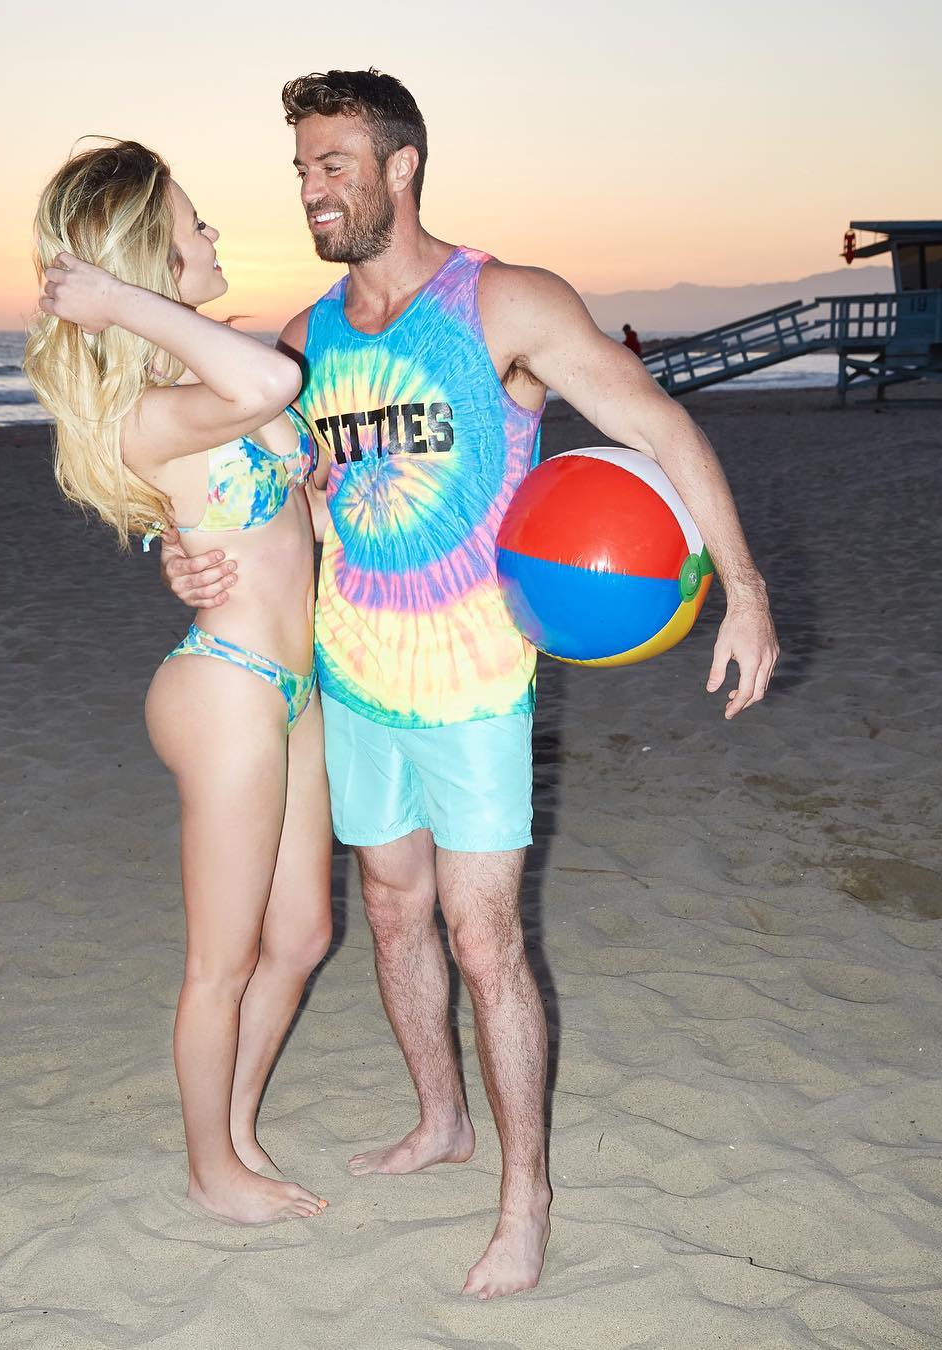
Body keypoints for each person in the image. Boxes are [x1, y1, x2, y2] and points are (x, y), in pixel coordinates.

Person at [161, 69, 779, 1299]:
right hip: (352, 676)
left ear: (401, 167)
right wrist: (181, 556)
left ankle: (524, 1197)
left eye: (334, 163)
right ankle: (440, 1119)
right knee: (394, 913)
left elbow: (657, 426)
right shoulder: (302, 344)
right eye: (301, 167)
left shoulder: (504, 302)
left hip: (480, 681)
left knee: (485, 938)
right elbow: (251, 498)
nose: (311, 188)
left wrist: (746, 591)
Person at [23, 140, 333, 1226]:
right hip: (229, 688)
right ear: (149, 262)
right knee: (222, 961)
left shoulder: (203, 383)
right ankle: (210, 1171)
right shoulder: (157, 410)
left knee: (302, 937)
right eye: (193, 225)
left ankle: (234, 1131)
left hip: (294, 684)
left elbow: (277, 486)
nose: (212, 236)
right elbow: (272, 386)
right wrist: (114, 302)